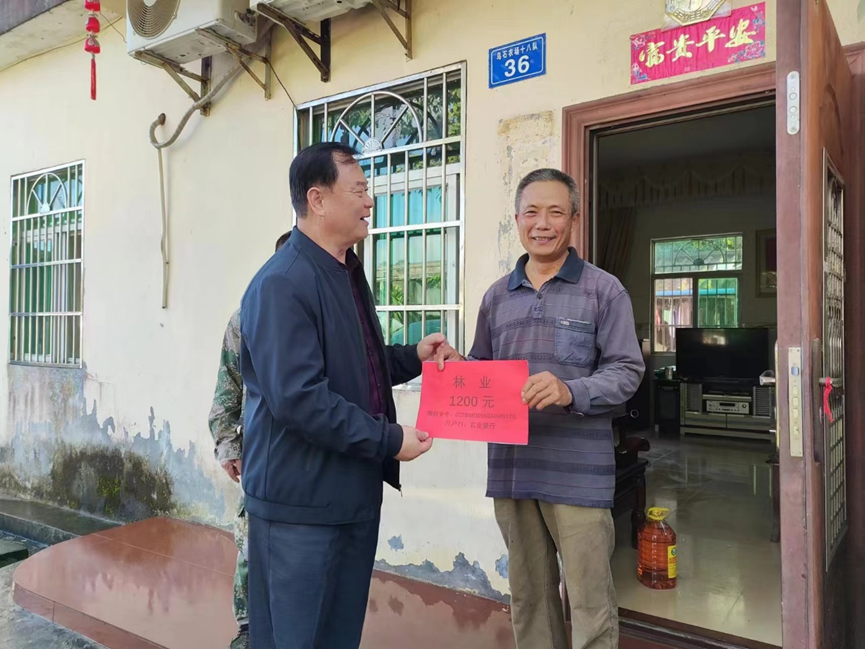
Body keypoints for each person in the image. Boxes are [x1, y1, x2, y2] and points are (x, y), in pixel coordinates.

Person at [240, 141, 460, 649]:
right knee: (296, 638)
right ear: (317, 200)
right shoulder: (282, 284)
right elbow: (300, 400)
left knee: (338, 635)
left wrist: (414, 356)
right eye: (358, 190)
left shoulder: (345, 271)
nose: (369, 201)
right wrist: (390, 439)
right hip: (300, 507)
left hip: (350, 495)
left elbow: (358, 363)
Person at [469, 168, 645, 649]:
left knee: (590, 602)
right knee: (529, 597)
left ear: (574, 220)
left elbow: (627, 371)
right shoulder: (495, 297)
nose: (542, 224)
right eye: (532, 212)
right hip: (512, 470)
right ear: (517, 219)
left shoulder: (605, 290)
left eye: (555, 212)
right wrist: (454, 370)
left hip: (579, 475)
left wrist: (571, 391)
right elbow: (482, 371)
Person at [208, 231, 291, 649]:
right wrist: (228, 447)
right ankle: (247, 629)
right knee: (251, 548)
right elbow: (227, 390)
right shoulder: (246, 319)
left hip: (313, 465)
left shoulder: (332, 317)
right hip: (260, 458)